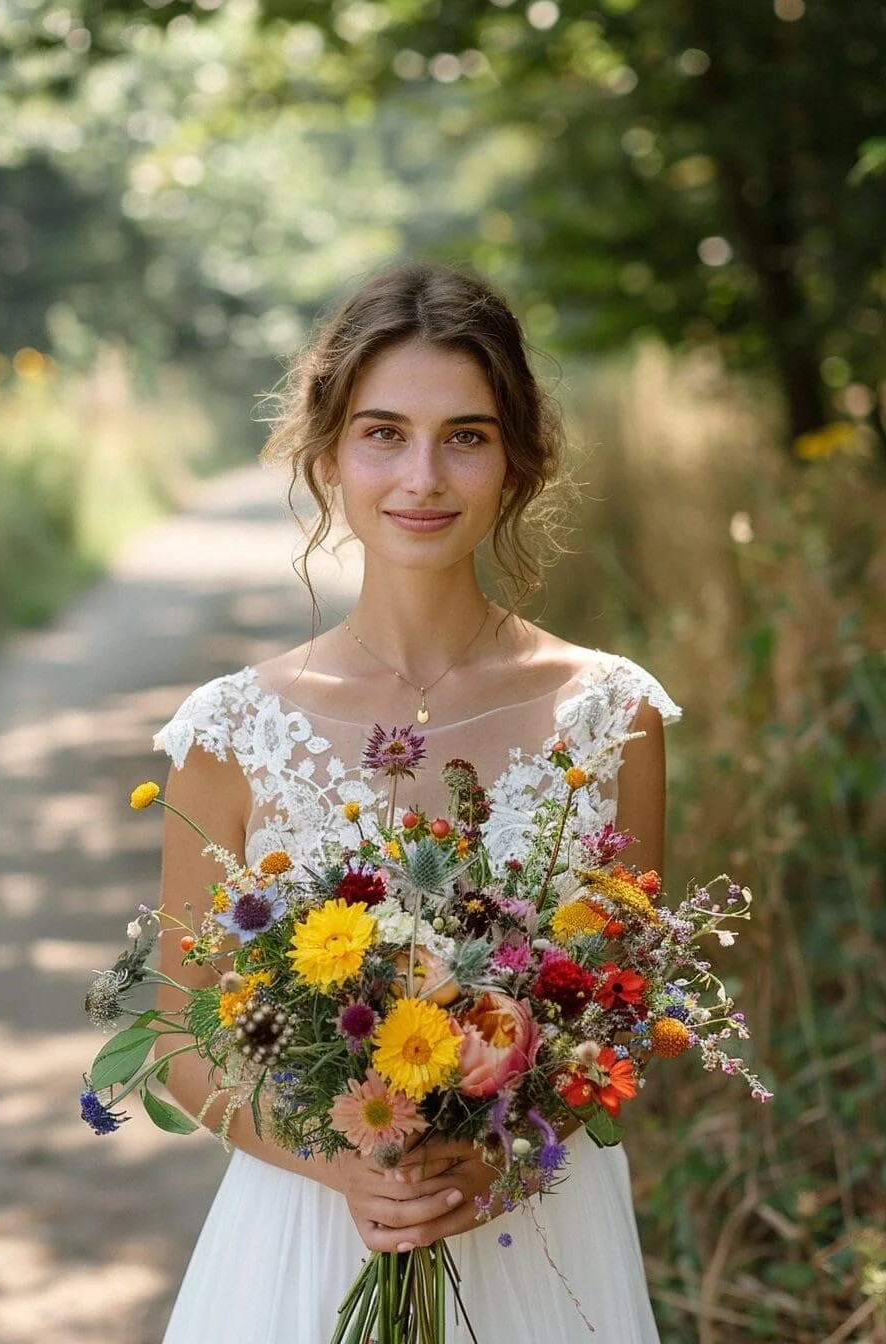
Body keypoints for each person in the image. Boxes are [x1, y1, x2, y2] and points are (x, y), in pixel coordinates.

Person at [154, 262, 680, 1343]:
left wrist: (500, 1155)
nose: (422, 478)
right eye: (383, 432)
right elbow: (180, 1035)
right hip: (305, 1236)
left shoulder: (611, 712)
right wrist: (341, 1165)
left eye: (466, 436)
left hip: (537, 1230)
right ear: (328, 452)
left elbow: (621, 1006)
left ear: (517, 458)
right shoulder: (228, 731)